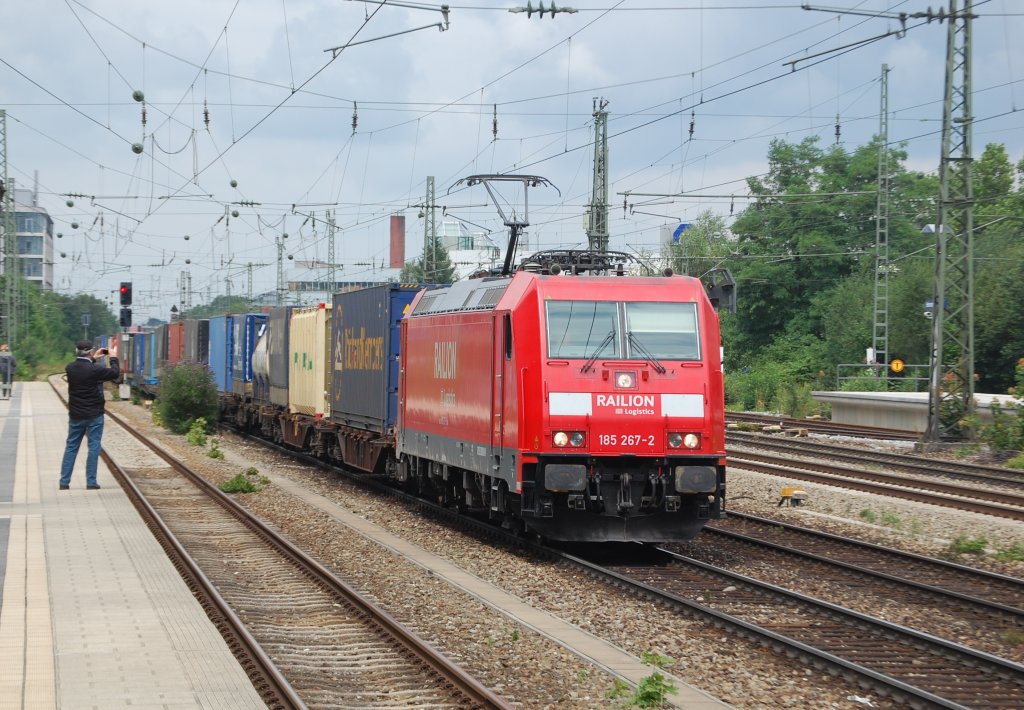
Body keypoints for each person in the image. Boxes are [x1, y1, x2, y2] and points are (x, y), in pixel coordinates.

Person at [59, 339, 120, 490]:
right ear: (90, 351)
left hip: (76, 415)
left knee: (71, 447)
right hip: (94, 415)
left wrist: (93, 358)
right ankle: (91, 482)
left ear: (77, 351)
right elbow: (115, 373)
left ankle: (64, 482)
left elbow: (83, 367)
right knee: (94, 447)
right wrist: (112, 356)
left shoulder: (70, 368)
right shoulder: (95, 370)